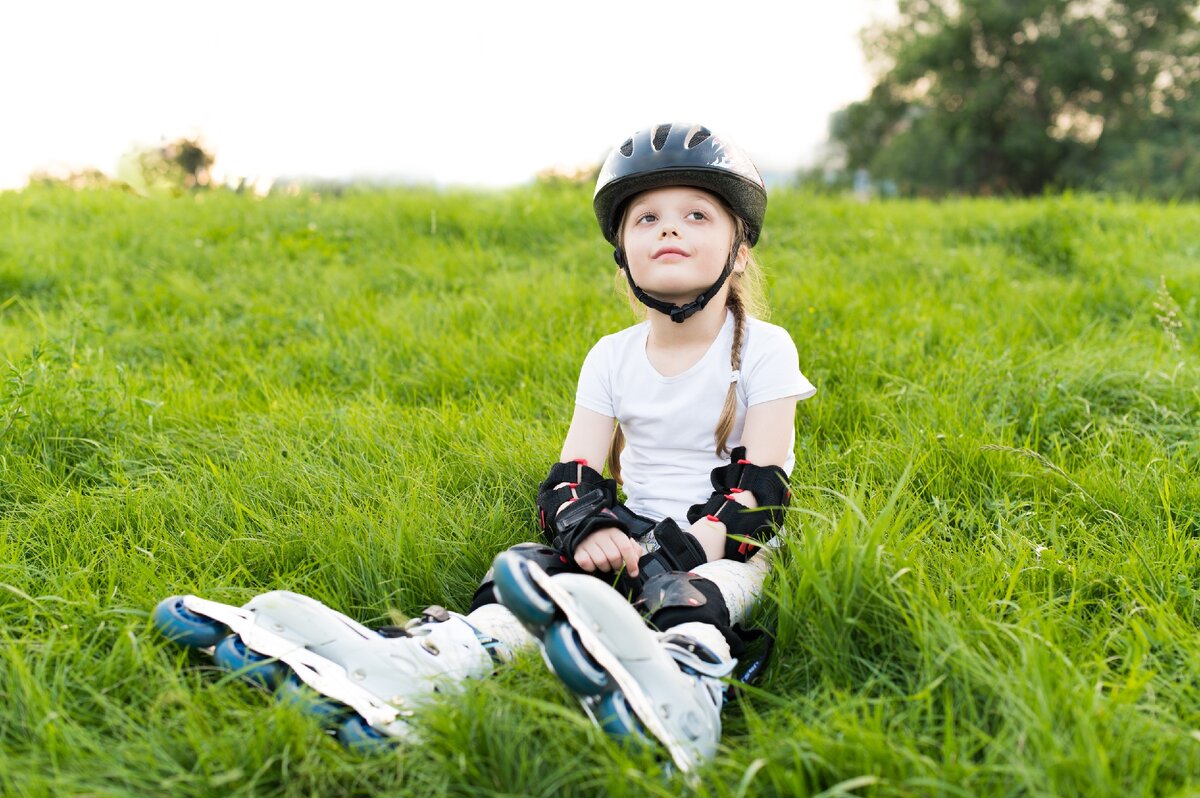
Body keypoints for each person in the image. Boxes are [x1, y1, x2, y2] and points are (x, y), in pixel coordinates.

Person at [153, 122, 816, 771]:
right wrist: (588, 530)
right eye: (647, 218)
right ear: (622, 251)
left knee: (689, 596)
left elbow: (762, 492)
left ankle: (686, 691)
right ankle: (424, 668)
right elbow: (574, 473)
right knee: (527, 571)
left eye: (697, 214)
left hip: (725, 549)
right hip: (636, 535)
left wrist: (669, 556)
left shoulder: (764, 347)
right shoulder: (612, 356)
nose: (670, 228)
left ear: (741, 248)